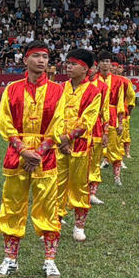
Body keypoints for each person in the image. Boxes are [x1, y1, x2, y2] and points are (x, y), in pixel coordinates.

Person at [0, 40, 70, 278]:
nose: (41, 61)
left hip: (45, 158)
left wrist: (39, 153)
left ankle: (50, 261)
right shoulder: (12, 89)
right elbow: (5, 122)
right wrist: (23, 149)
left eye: (45, 57)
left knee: (48, 208)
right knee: (12, 205)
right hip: (16, 156)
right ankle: (10, 259)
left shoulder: (59, 91)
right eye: (36, 56)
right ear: (25, 60)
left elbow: (59, 123)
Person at [56, 48, 101, 243]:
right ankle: (54, 223)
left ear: (85, 69)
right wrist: (60, 140)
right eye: (68, 63)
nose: (68, 66)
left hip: (80, 145)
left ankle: (79, 226)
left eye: (73, 64)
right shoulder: (59, 88)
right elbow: (53, 115)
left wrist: (68, 138)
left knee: (79, 186)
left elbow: (88, 120)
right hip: (58, 145)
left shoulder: (93, 91)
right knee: (55, 185)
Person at [100, 57, 134, 186]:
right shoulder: (93, 80)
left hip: (113, 115)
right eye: (103, 61)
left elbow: (124, 99)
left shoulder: (120, 81)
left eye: (108, 61)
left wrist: (122, 118)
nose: (106, 64)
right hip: (96, 117)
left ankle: (117, 176)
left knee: (115, 143)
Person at [86, 55, 110, 206]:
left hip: (95, 129)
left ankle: (92, 193)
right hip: (76, 130)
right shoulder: (71, 85)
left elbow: (105, 110)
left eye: (92, 67)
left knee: (94, 163)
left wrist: (106, 131)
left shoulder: (102, 87)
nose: (90, 70)